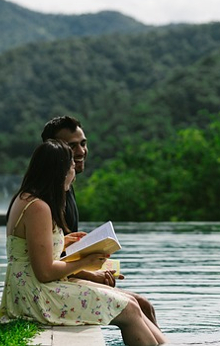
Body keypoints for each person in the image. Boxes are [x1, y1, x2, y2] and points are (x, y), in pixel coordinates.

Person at [0, 139, 167, 345]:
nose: (74, 174)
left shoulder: (27, 198)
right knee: (129, 309)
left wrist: (63, 242)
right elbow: (44, 272)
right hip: (36, 296)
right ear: (60, 172)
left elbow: (29, 248)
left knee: (132, 302)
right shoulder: (38, 207)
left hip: (31, 288)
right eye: (71, 167)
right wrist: (86, 262)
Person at [40, 115, 158, 325]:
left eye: (83, 144)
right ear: (54, 150)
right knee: (138, 304)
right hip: (55, 283)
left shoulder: (66, 188)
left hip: (67, 274)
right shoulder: (45, 199)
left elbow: (60, 250)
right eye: (72, 146)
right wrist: (91, 274)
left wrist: (98, 266)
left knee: (145, 305)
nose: (81, 151)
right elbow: (45, 263)